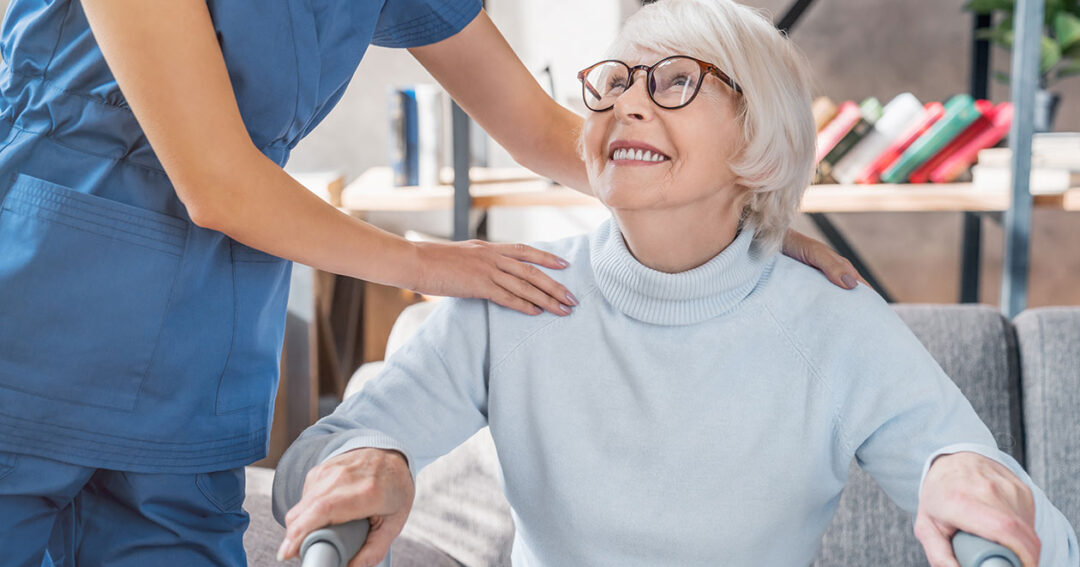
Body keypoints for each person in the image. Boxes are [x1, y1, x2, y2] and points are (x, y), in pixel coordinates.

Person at [0, 0, 860, 565]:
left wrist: (740, 215)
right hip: (40, 318)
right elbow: (215, 182)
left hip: (199, 345)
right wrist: (431, 262)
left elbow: (540, 128)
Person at [271, 1, 1080, 566]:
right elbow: (305, 469)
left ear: (759, 141)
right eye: (616, 82)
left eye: (675, 82)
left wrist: (967, 471)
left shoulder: (830, 320)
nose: (629, 103)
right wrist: (372, 455)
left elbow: (1048, 539)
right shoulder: (522, 292)